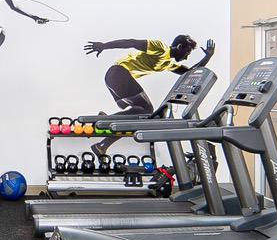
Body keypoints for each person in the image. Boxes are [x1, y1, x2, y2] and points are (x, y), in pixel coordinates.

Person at [81, 35, 215, 152]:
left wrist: (207, 57)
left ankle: (102, 144)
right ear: (180, 46)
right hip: (118, 74)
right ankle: (102, 122)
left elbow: (189, 73)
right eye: (187, 52)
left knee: (136, 114)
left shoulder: (168, 63)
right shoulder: (161, 48)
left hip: (115, 78)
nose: (186, 57)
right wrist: (104, 46)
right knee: (147, 110)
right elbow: (131, 42)